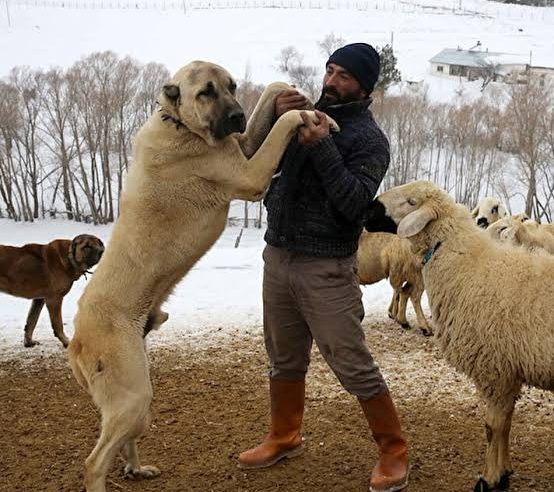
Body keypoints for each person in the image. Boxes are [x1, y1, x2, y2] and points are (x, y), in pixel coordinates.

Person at [238, 43, 409, 492]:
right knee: (284, 357)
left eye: (344, 76)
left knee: (352, 363)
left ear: (364, 87)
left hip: (327, 268)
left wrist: (323, 147)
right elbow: (257, 162)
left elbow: (355, 204)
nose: (331, 82)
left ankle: (393, 451)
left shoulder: (371, 141)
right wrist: (276, 115)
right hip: (277, 257)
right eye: (330, 71)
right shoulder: (302, 119)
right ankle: (284, 435)